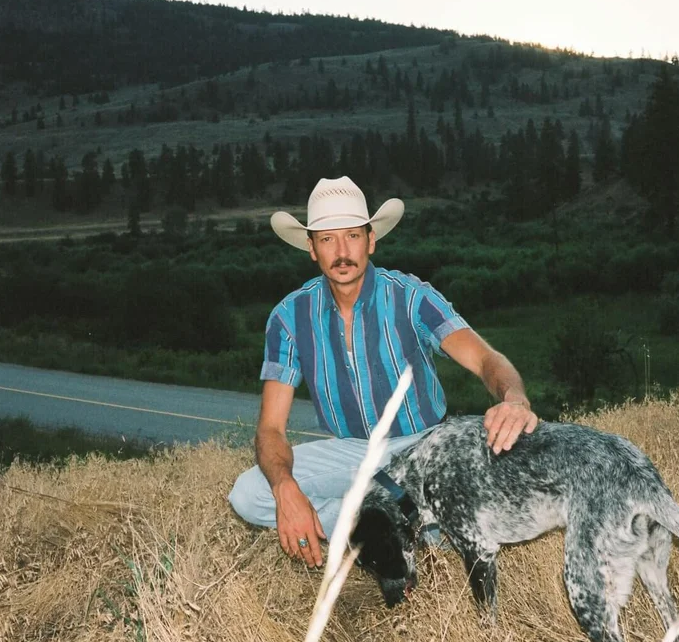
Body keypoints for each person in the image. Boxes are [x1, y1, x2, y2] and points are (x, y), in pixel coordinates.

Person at [228, 176, 537, 568]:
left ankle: (411, 521)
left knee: (505, 477)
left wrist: (515, 399)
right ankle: (375, 527)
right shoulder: (289, 317)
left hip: (424, 445)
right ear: (311, 248)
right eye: (327, 239)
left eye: (353, 235)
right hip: (352, 452)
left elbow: (485, 360)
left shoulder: (411, 297)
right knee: (250, 494)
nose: (342, 251)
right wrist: (286, 488)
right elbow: (271, 428)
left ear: (371, 240)